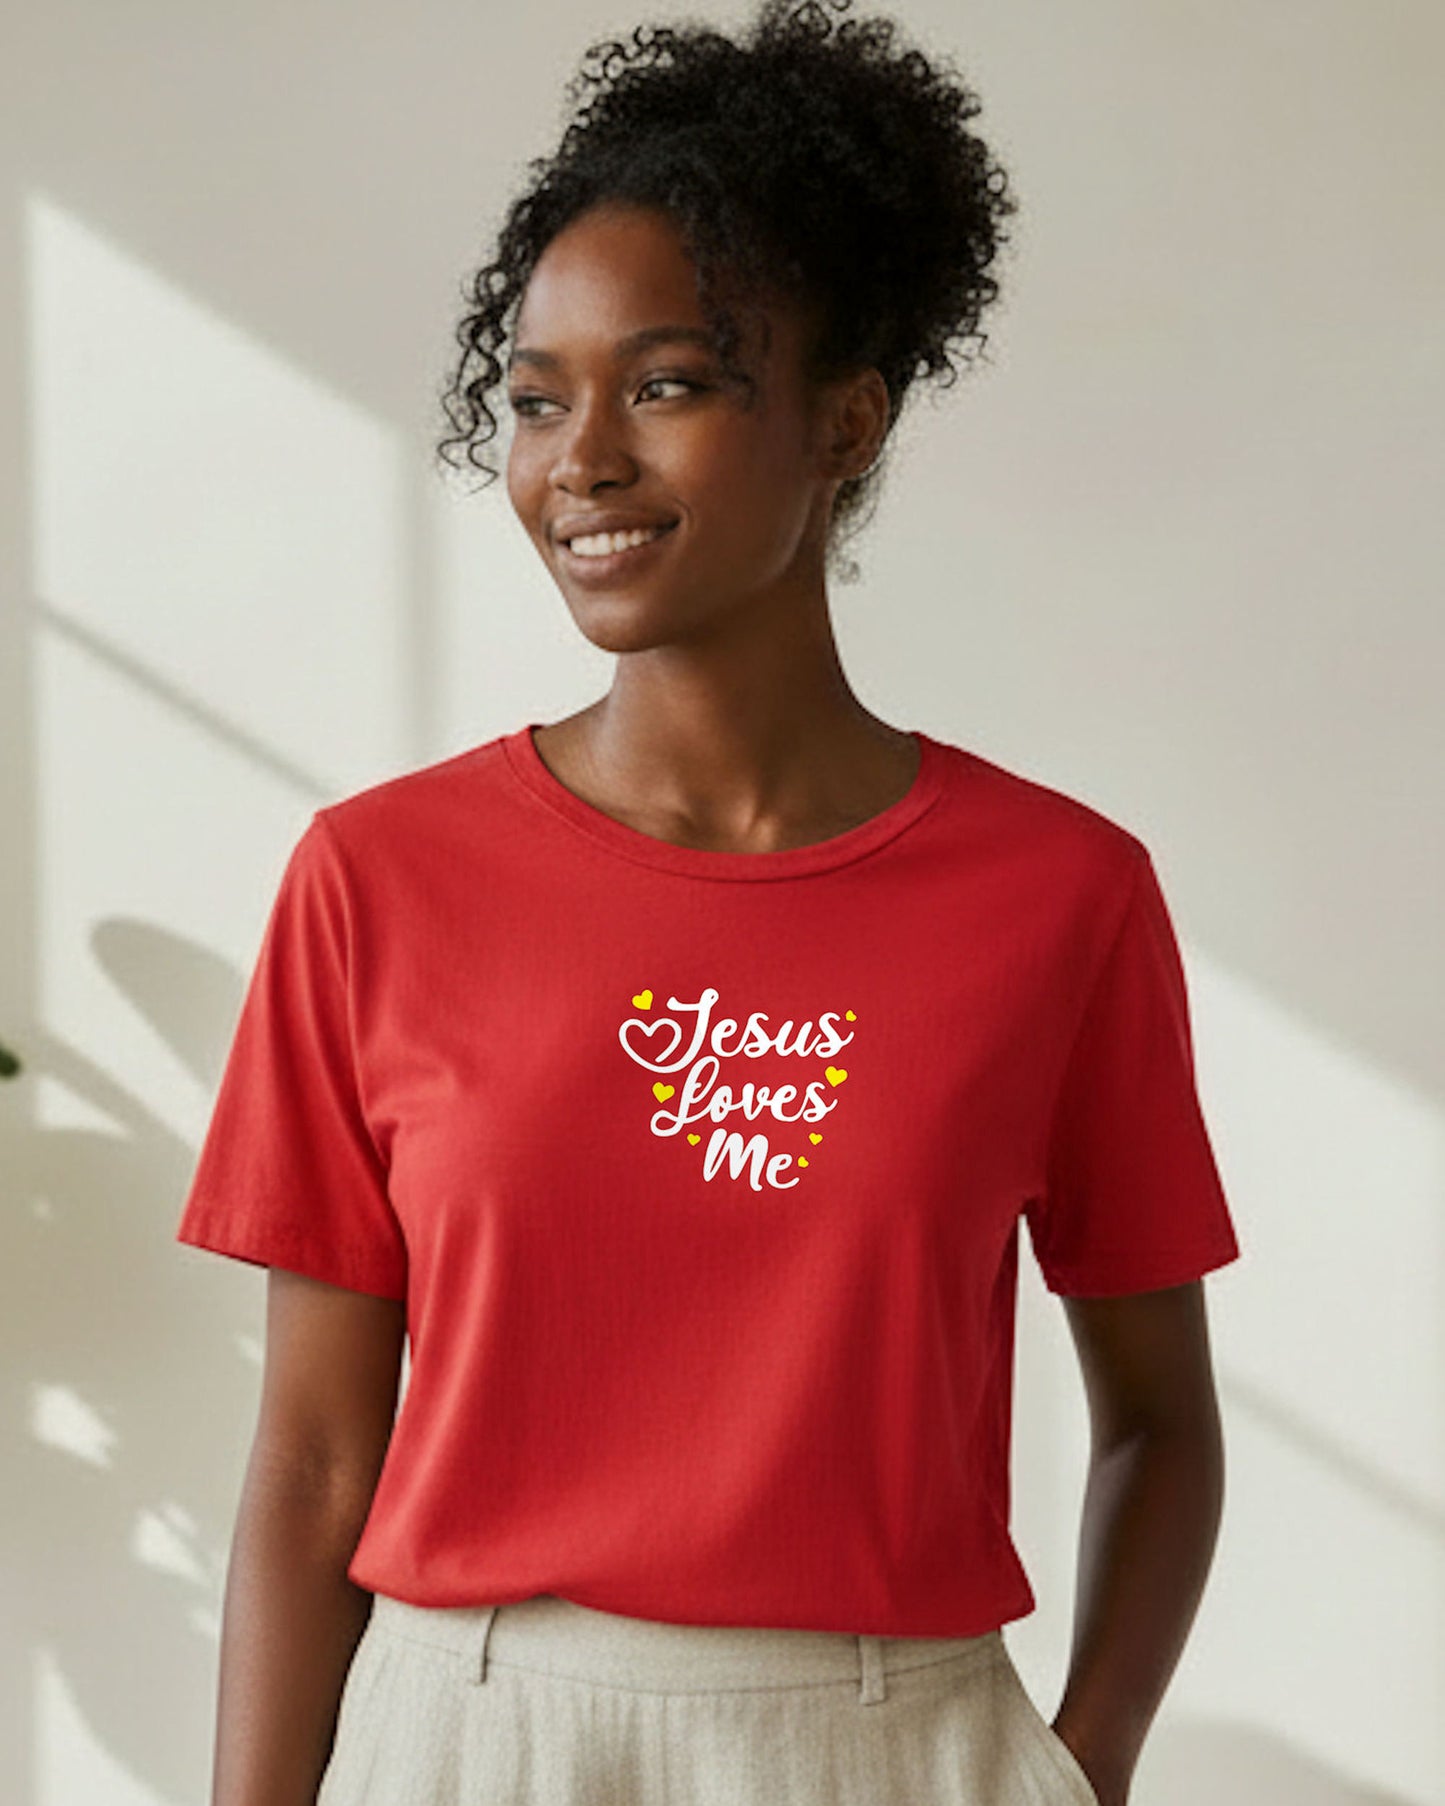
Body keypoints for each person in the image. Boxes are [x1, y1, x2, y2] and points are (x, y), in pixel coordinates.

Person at [175, 1, 1242, 1802]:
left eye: (664, 381)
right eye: (532, 398)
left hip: (894, 1738)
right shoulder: (377, 879)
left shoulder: (1061, 896)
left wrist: (1085, 1763)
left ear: (845, 417)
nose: (577, 456)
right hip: (469, 1731)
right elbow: (305, 1467)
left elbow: (1160, 1415)